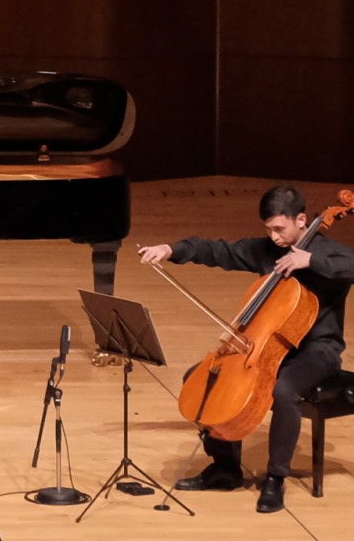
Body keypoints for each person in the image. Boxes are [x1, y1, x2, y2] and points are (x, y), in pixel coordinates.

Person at [138, 185, 354, 513]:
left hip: (317, 350)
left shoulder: (330, 252)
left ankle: (275, 479)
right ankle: (225, 468)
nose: (275, 237)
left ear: (302, 220)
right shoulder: (269, 249)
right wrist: (172, 249)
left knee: (284, 391)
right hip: (266, 344)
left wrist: (311, 259)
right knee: (200, 379)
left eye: (280, 229)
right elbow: (218, 250)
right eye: (268, 229)